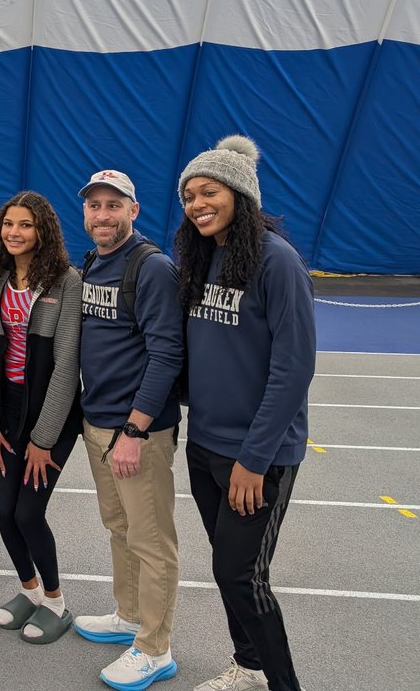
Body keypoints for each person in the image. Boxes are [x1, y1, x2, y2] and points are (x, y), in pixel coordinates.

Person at [176, 136, 314, 691]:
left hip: (257, 457)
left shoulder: (277, 262)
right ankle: (249, 667)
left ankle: (283, 684)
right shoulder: (205, 256)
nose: (197, 203)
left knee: (241, 575)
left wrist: (254, 460)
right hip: (205, 445)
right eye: (188, 195)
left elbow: (293, 369)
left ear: (240, 193)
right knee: (231, 573)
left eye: (208, 191)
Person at [74, 169, 184, 691]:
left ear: (133, 211)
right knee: (120, 531)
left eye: (113, 206)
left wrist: (135, 432)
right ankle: (128, 616)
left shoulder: (152, 267)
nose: (102, 215)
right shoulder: (94, 262)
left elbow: (166, 354)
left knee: (152, 540)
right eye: (94, 206)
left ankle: (155, 647)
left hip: (137, 433)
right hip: (97, 424)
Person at [0, 192, 83, 644]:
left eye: (25, 224)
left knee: (28, 513)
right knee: (3, 512)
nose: (14, 232)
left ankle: (57, 603)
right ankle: (30, 591)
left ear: (43, 231)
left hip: (49, 415)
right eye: (8, 224)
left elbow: (66, 364)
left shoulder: (66, 281)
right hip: (7, 409)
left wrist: (44, 438)